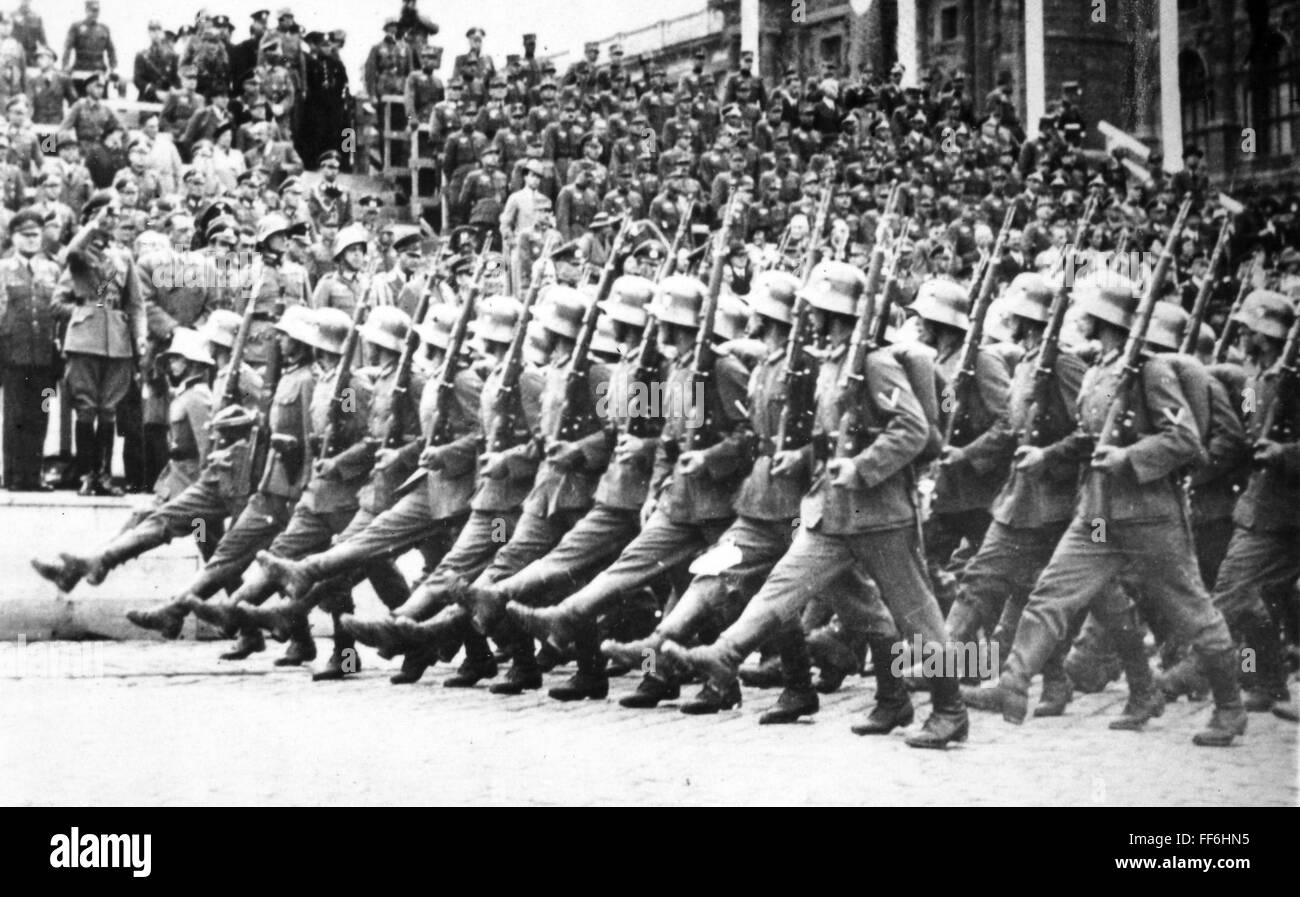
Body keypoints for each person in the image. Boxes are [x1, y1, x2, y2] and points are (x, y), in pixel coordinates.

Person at [653, 261, 971, 750]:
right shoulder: (834, 361)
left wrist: (862, 466)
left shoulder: (874, 362)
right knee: (783, 586)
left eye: (816, 311)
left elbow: (911, 428)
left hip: (881, 515)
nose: (809, 318)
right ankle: (727, 653)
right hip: (833, 512)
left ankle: (950, 711)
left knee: (918, 617)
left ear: (831, 312)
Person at [53, 193, 146, 497]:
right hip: (85, 337)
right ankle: (86, 474)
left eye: (116, 215)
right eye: (108, 213)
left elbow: (135, 304)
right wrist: (93, 225)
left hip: (117, 340)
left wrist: (139, 338)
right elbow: (68, 253)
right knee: (86, 407)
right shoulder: (82, 252)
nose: (113, 220)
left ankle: (104, 475)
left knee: (109, 409)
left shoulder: (123, 255)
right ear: (93, 215)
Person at [0, 210, 62, 491]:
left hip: (46, 357)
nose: (30, 241)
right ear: (13, 238)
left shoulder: (52, 269)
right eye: (25, 236)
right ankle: (13, 475)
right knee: (14, 416)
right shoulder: (3, 270)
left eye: (35, 235)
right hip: (14, 356)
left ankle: (34, 475)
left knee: (41, 414)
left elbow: (57, 311)